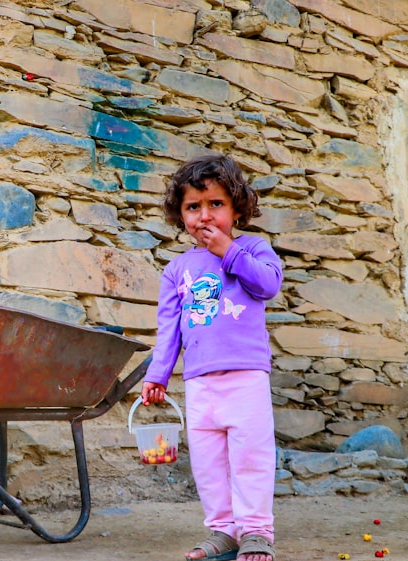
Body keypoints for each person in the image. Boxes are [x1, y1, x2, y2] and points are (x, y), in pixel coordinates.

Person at [140, 154, 282, 561]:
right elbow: (170, 328)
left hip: (246, 377)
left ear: (237, 207)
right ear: (180, 215)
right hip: (200, 382)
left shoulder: (253, 248)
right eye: (193, 207)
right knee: (208, 462)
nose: (205, 215)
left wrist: (228, 251)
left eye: (216, 204)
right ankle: (223, 531)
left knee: (250, 457)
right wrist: (158, 375)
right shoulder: (177, 270)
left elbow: (268, 285)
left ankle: (256, 531)